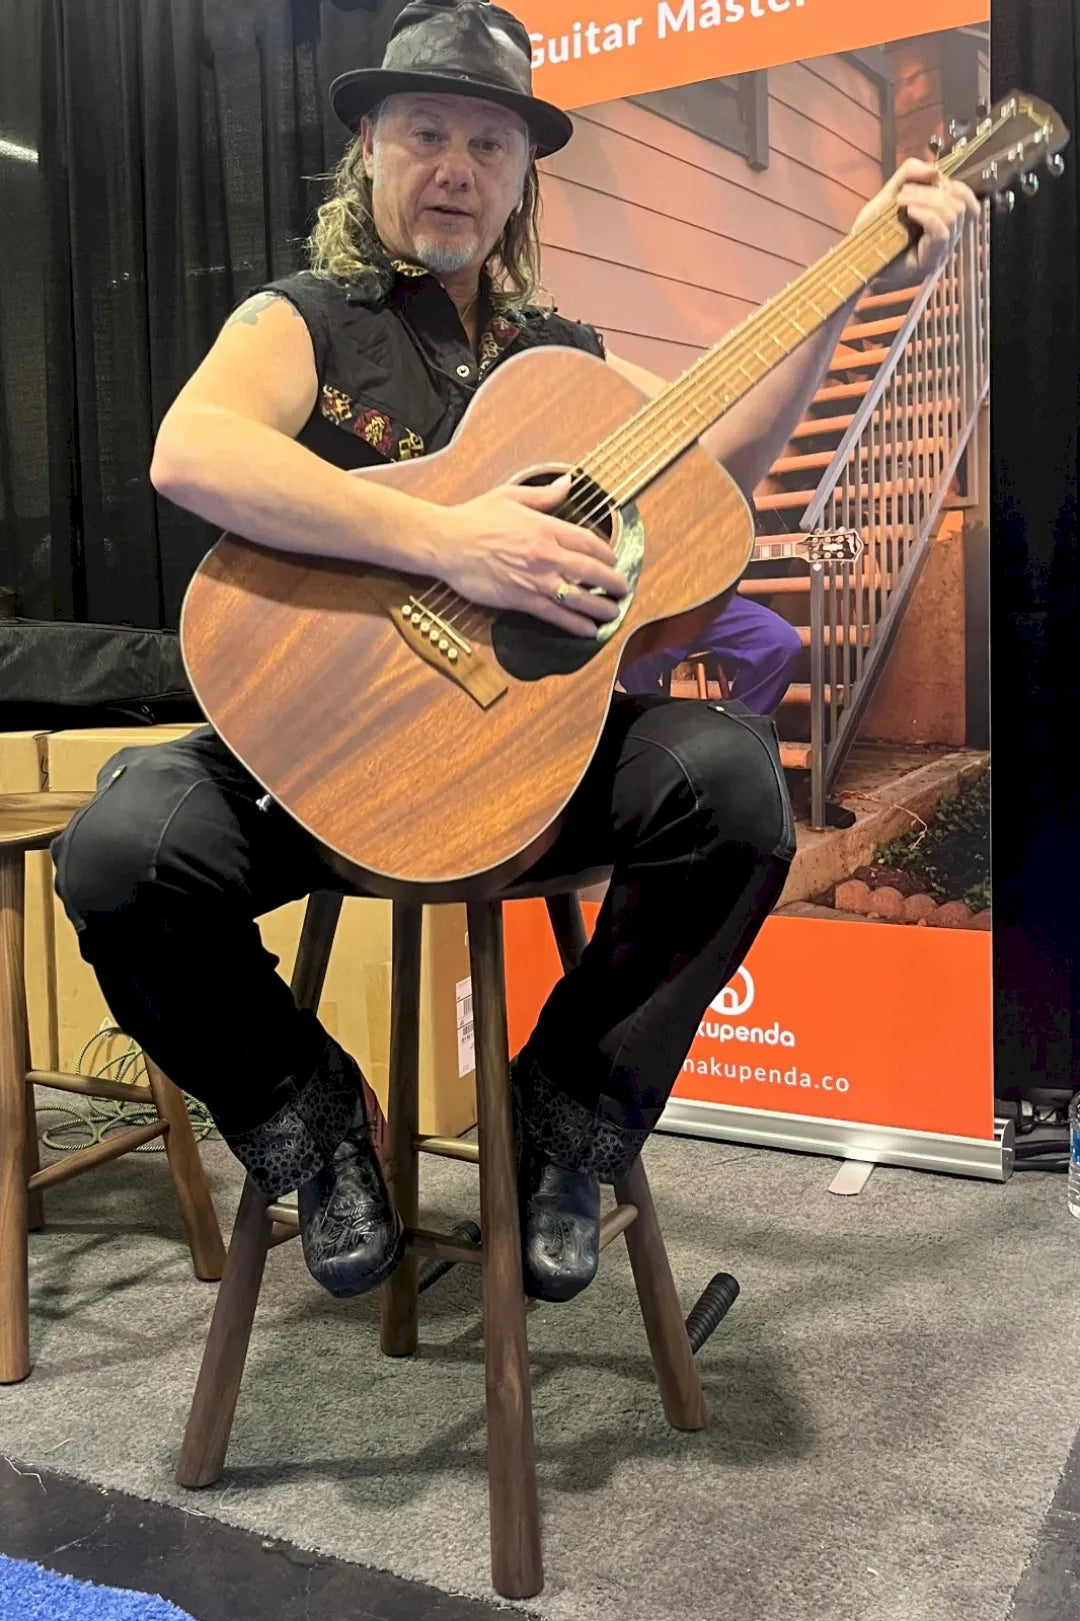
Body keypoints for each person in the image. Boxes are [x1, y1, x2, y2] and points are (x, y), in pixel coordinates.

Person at [52, 0, 977, 1305]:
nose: (456, 168)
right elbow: (193, 453)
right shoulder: (305, 320)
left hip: (520, 771)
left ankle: (568, 1114)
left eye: (489, 145)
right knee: (122, 854)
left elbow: (723, 479)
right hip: (320, 754)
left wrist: (847, 285)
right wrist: (454, 539)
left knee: (734, 791)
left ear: (521, 174)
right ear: (368, 146)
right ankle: (309, 1120)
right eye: (426, 132)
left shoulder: (563, 359)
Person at [619, 594, 804, 715]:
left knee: (781, 641)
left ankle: (737, 728)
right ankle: (656, 723)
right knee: (631, 639)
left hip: (711, 599)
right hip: (649, 601)